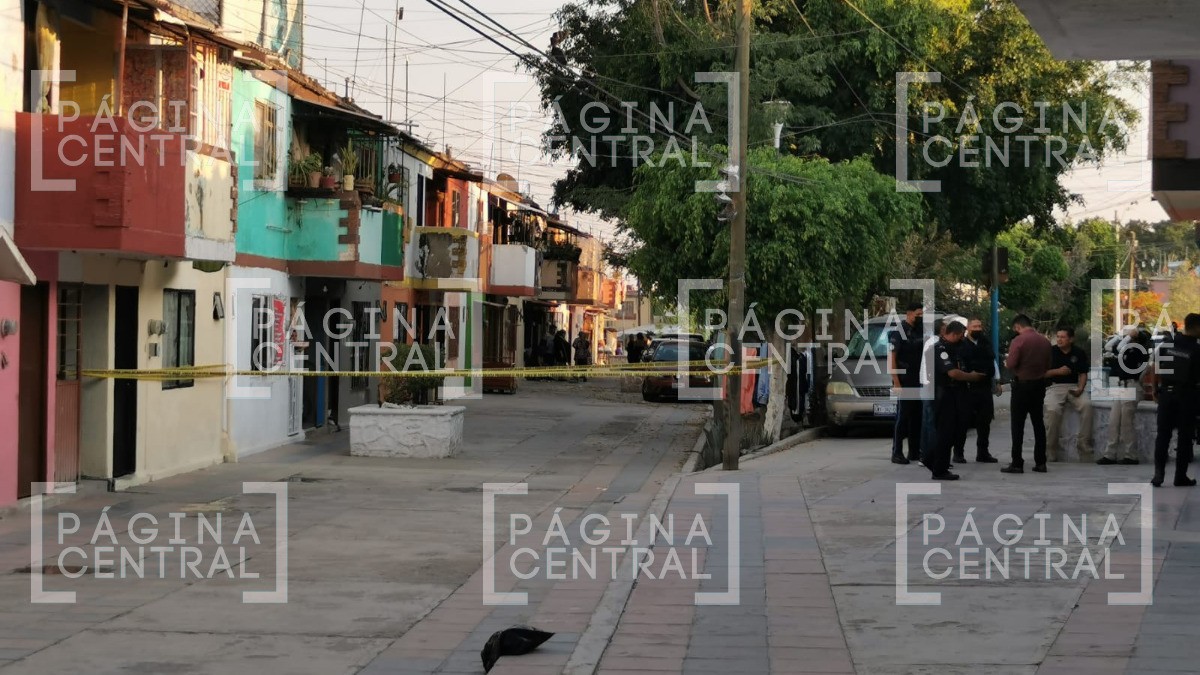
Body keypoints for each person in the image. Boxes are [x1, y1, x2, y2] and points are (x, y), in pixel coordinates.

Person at [1145, 313, 1200, 487]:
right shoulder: (1197, 350)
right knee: (1184, 437)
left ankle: (1158, 475)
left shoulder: (1167, 345)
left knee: (1163, 436)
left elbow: (1155, 367)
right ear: (1197, 327)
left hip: (1166, 396)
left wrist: (1155, 390)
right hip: (1187, 397)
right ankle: (1180, 476)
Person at [927, 321, 987, 480]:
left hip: (956, 395)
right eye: (961, 335)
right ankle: (939, 469)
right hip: (943, 395)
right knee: (945, 433)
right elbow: (952, 373)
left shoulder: (955, 348)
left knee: (955, 431)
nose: (963, 338)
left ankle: (932, 460)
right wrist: (972, 377)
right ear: (954, 334)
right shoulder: (940, 349)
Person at [1003, 314, 1052, 474]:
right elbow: (1048, 364)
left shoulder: (1019, 341)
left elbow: (1011, 363)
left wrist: (1009, 363)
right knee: (1038, 424)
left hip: (1021, 387)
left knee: (1017, 425)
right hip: (1039, 387)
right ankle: (1041, 462)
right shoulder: (1045, 341)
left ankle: (1017, 462)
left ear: (1018, 326)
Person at [953, 318, 1001, 464]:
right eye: (975, 326)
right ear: (968, 328)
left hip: (984, 387)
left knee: (984, 421)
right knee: (963, 421)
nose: (978, 328)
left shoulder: (985, 342)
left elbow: (993, 361)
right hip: (967, 387)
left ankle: (983, 453)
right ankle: (958, 453)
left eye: (980, 326)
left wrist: (997, 381)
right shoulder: (961, 344)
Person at [1043, 326, 1095, 462]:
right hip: (1055, 387)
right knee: (1053, 410)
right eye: (1058, 336)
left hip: (1073, 386)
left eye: (1063, 337)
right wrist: (1057, 372)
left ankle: (1083, 444)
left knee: (1087, 406)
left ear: (1071, 339)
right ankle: (1050, 449)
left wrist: (1080, 388)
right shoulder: (1050, 352)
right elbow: (1041, 373)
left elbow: (1083, 373)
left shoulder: (1079, 353)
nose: (1059, 339)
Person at [1098, 326, 1147, 465]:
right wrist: (1120, 336)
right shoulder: (1127, 349)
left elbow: (1119, 347)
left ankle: (1131, 455)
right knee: (1114, 421)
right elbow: (1109, 346)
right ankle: (1110, 454)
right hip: (1121, 386)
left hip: (1131, 386)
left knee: (1126, 422)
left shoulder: (1138, 351)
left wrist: (1126, 337)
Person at [888, 302, 926, 464]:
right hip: (904, 381)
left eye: (922, 315)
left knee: (917, 417)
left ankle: (914, 451)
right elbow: (892, 358)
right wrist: (896, 382)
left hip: (918, 380)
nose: (921, 317)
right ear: (909, 314)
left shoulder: (920, 331)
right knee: (903, 417)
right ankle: (897, 452)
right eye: (918, 314)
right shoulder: (898, 332)